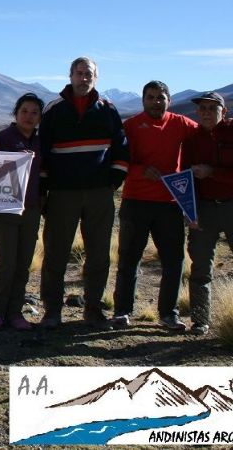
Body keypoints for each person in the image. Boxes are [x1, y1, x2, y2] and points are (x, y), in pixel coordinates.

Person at [38, 56, 129, 330]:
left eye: (88, 73)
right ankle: (52, 310)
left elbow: (121, 148)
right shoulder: (54, 110)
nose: (83, 78)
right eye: (79, 73)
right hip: (63, 194)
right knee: (55, 252)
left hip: (99, 194)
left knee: (99, 253)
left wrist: (112, 182)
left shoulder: (107, 109)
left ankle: (93, 308)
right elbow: (42, 153)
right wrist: (45, 190)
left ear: (95, 77)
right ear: (70, 76)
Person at [111, 81, 197, 331]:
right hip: (136, 200)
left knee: (174, 261)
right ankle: (122, 311)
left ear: (168, 100)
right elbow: (119, 159)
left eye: (161, 97)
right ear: (143, 100)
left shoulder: (181, 123)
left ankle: (168, 314)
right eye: (150, 97)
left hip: (170, 203)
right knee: (129, 258)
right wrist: (139, 170)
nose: (156, 102)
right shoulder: (131, 126)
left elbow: (204, 135)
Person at [0, 93, 45, 331]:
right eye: (24, 111)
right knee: (6, 263)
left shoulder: (40, 142)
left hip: (30, 209)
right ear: (15, 113)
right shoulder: (4, 138)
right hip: (4, 209)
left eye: (34, 113)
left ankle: (15, 312)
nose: (29, 117)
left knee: (23, 264)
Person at [182, 91, 233, 336]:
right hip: (203, 209)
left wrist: (212, 172)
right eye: (202, 108)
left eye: (212, 109)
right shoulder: (191, 140)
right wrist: (189, 212)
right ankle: (200, 320)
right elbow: (185, 179)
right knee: (201, 267)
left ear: (224, 112)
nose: (206, 113)